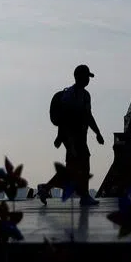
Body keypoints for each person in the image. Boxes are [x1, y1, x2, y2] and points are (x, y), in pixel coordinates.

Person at [39, 64, 103, 206]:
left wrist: (97, 133)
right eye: (86, 76)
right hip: (71, 136)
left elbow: (88, 116)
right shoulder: (69, 96)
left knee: (75, 168)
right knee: (78, 166)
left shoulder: (85, 95)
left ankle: (46, 188)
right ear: (78, 77)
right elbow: (65, 121)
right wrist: (70, 143)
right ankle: (83, 195)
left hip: (81, 135)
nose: (88, 80)